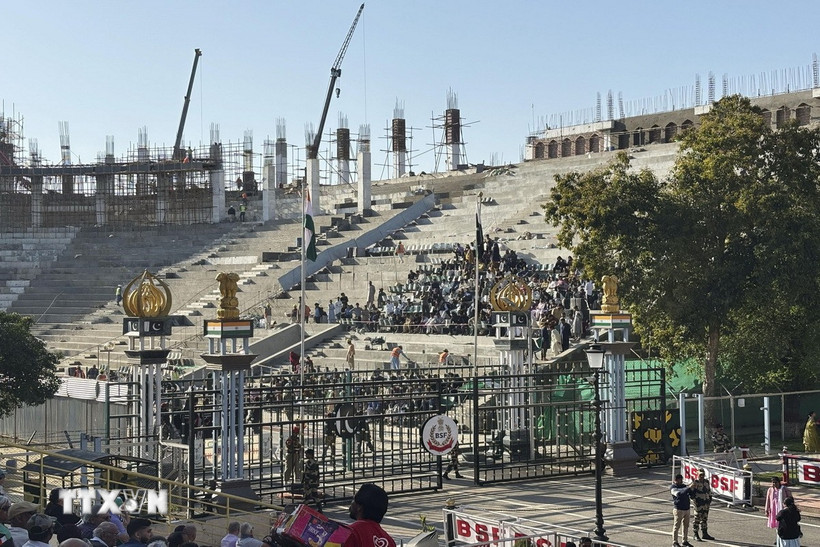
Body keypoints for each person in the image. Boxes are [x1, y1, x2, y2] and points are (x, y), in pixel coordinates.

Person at [690, 469, 715, 540]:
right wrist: (695, 502)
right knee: (697, 518)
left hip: (706, 503)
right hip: (698, 504)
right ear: (697, 475)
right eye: (700, 475)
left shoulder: (706, 482)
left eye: (703, 475)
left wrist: (710, 498)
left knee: (704, 518)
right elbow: (691, 493)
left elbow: (708, 491)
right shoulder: (695, 483)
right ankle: (695, 534)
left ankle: (705, 533)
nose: (702, 476)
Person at [670, 474, 693, 547]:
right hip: (678, 509)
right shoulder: (673, 487)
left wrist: (693, 487)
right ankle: (675, 542)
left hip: (687, 509)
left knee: (686, 526)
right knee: (676, 526)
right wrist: (688, 488)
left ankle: (685, 541)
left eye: (681, 479)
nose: (680, 481)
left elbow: (691, 494)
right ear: (675, 480)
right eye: (678, 479)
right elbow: (679, 494)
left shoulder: (684, 486)